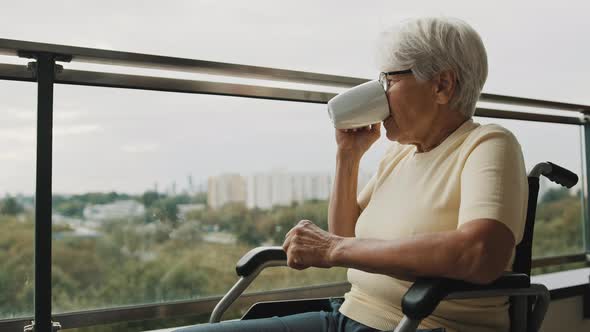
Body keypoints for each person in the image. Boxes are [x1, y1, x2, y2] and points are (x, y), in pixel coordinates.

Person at [175, 16, 527, 332]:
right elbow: (345, 234)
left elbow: (479, 253)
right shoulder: (399, 155)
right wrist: (348, 157)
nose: (381, 93)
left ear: (442, 86)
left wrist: (335, 249)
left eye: (388, 79)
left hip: (419, 324)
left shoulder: (487, 144)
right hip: (347, 315)